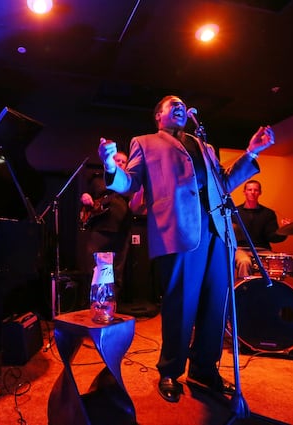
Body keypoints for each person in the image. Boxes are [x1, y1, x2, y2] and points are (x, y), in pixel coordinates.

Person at [98, 95, 275, 403]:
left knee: (215, 304)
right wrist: (108, 165)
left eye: (182, 103)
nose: (179, 106)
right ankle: (170, 370)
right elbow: (130, 183)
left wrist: (251, 152)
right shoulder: (145, 142)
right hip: (179, 231)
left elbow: (225, 182)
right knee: (181, 305)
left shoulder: (203, 146)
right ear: (158, 115)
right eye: (171, 103)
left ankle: (204, 368)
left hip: (218, 232)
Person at [233, 179, 293, 313]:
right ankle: (244, 306)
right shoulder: (235, 212)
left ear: (260, 193)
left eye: (256, 190)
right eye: (249, 189)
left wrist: (284, 230)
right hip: (241, 250)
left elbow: (273, 237)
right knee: (244, 262)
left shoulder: (268, 213)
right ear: (244, 192)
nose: (252, 192)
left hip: (263, 250)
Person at [79, 152, 133, 299]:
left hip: (122, 231)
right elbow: (86, 195)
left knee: (117, 270)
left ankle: (112, 305)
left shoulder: (130, 183)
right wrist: (86, 197)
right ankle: (93, 303)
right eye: (117, 160)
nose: (121, 163)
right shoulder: (97, 179)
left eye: (123, 161)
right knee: (95, 268)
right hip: (99, 229)